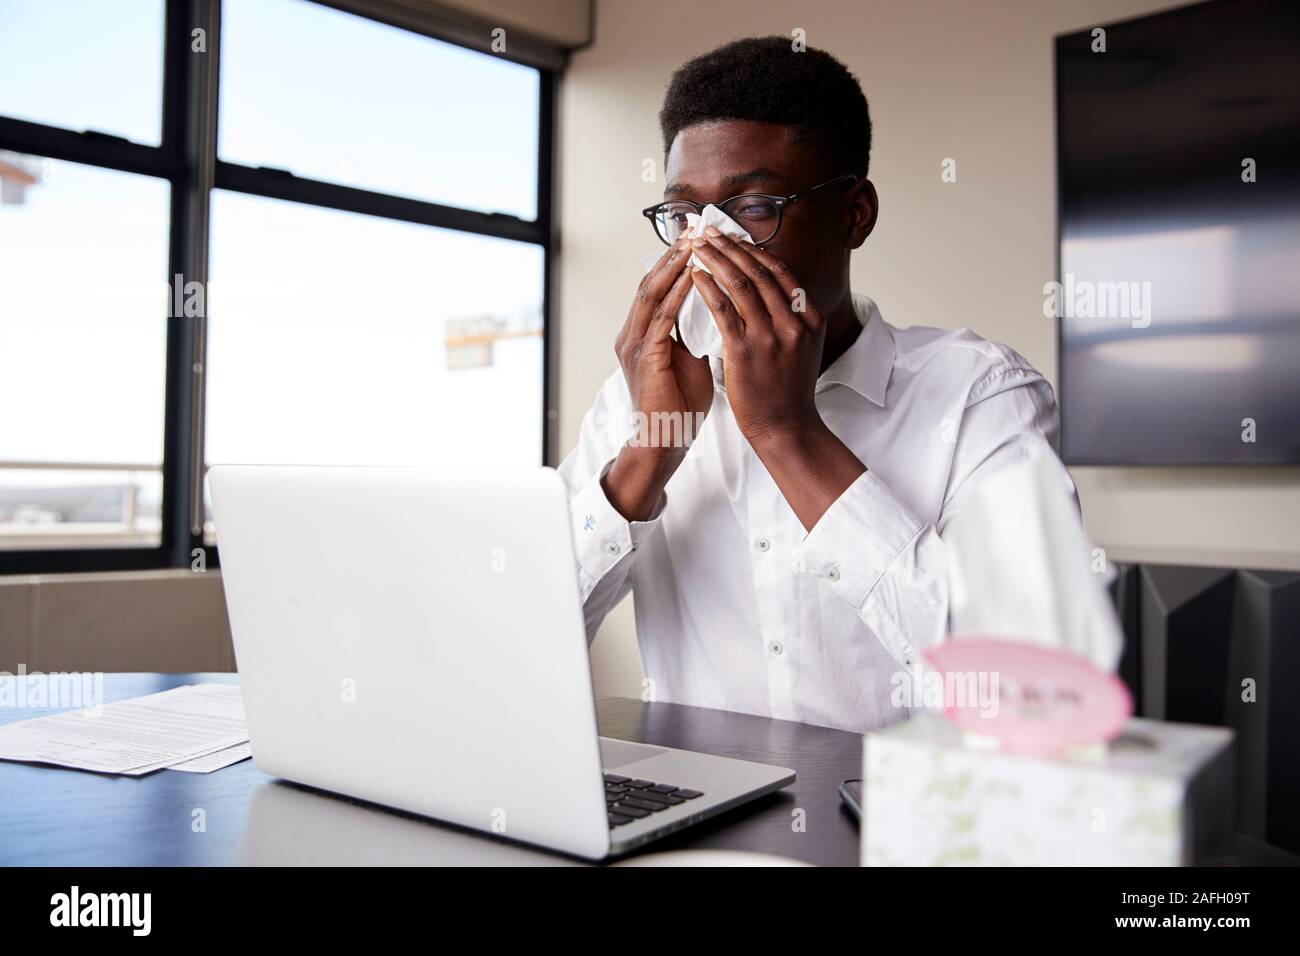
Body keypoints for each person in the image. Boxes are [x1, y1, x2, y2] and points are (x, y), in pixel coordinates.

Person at [559, 36, 1064, 734]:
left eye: (756, 207)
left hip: (901, 822)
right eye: (684, 216)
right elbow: (530, 642)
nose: (708, 245)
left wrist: (788, 436)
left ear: (855, 214)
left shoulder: (980, 396)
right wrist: (648, 454)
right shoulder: (639, 400)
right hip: (691, 820)